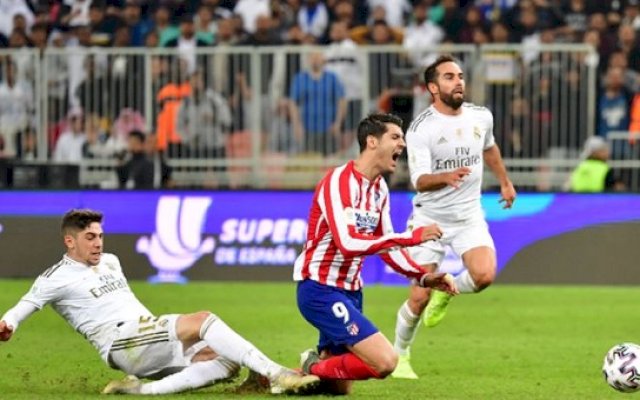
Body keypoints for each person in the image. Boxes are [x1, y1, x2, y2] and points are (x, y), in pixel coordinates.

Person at [0, 209, 320, 395]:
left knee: (227, 361)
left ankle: (141, 390)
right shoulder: (55, 277)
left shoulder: (110, 261)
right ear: (70, 241)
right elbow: (26, 304)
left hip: (146, 333)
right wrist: (8, 323)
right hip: (121, 342)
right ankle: (279, 374)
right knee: (203, 319)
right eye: (90, 238)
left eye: (100, 236)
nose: (98, 243)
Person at [293, 112, 459, 395]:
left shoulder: (379, 188)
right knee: (385, 362)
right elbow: (348, 243)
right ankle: (310, 366)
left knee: (337, 388)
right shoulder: (338, 181)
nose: (402, 144)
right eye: (395, 137)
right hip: (320, 288)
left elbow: (387, 248)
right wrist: (411, 237)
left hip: (352, 292)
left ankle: (295, 376)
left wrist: (424, 277)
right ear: (372, 141)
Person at [391, 55, 516, 380]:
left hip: (468, 216)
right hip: (429, 220)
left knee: (484, 276)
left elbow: (489, 148)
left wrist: (504, 181)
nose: (458, 81)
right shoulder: (421, 128)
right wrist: (445, 177)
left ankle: (447, 290)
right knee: (418, 297)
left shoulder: (481, 116)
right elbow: (419, 181)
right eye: (449, 77)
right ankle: (399, 355)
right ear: (433, 88)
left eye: (460, 75)